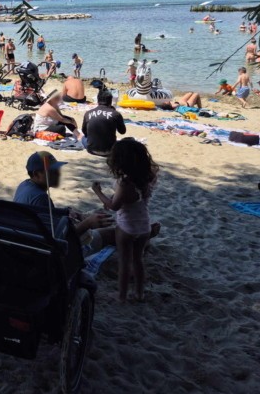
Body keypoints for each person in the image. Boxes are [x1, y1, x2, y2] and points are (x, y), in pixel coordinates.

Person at [92, 139, 158, 302]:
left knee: (124, 261)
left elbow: (114, 206)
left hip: (126, 228)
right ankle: (139, 293)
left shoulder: (124, 183)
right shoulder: (147, 178)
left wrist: (98, 192)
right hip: (144, 227)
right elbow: (127, 199)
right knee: (138, 260)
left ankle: (121, 296)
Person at [14, 151, 115, 250]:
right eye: (52, 171)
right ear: (36, 174)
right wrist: (88, 223)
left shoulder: (24, 185)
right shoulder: (40, 198)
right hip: (46, 251)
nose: (58, 174)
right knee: (111, 233)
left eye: (57, 170)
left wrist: (66, 213)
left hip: (27, 240)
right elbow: (58, 240)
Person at [82, 90, 126, 156]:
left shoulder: (88, 113)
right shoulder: (115, 114)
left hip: (92, 150)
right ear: (110, 101)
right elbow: (122, 131)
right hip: (110, 150)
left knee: (83, 138)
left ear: (98, 101)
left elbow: (84, 132)